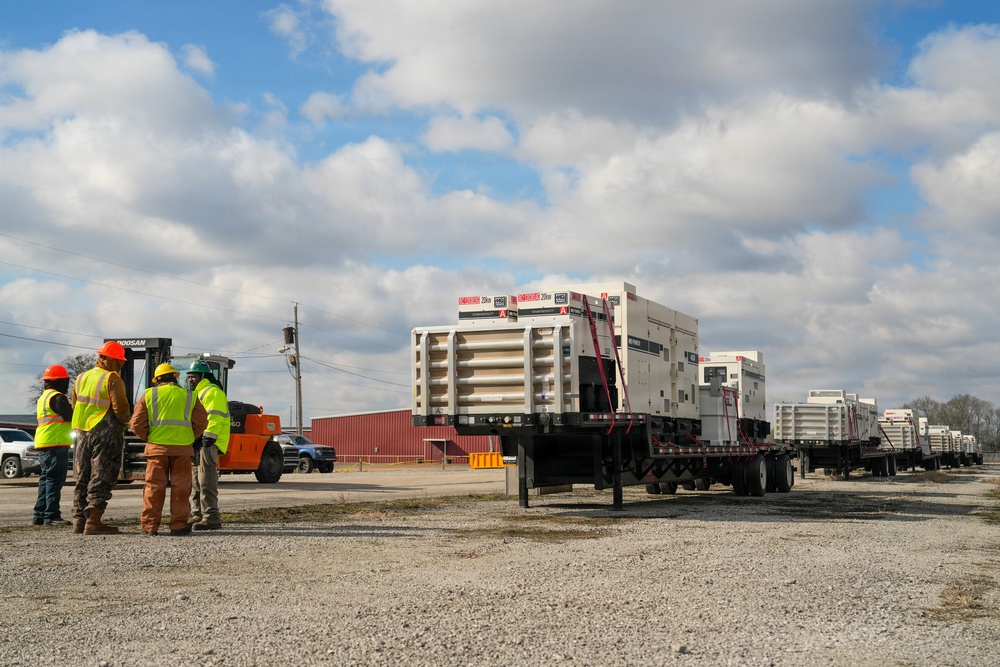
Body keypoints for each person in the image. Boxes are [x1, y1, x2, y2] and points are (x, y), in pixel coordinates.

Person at [130, 363, 207, 536]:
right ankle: (178, 526)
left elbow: (135, 424)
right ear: (175, 377)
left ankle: (150, 527)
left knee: (153, 488)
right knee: (181, 488)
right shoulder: (190, 396)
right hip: (182, 450)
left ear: (157, 380)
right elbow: (202, 422)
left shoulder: (149, 394)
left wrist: (150, 438)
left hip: (157, 450)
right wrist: (187, 437)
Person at [71, 341, 132, 535]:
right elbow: (121, 408)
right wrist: (126, 424)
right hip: (105, 432)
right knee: (102, 475)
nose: (122, 365)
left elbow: (74, 404)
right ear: (113, 360)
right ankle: (94, 521)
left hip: (82, 432)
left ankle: (78, 521)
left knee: (82, 476)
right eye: (121, 361)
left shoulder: (81, 377)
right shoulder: (112, 378)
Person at [187, 359, 230, 531]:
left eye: (194, 376)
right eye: (189, 376)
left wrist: (208, 438)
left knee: (206, 480)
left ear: (203, 376)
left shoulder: (211, 391)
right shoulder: (196, 393)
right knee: (196, 481)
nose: (190, 379)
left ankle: (211, 517)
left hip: (208, 442)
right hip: (198, 442)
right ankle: (197, 514)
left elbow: (215, 416)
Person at [33, 365, 74, 527]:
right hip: (55, 444)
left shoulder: (43, 397)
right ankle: (52, 515)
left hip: (44, 443)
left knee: (46, 480)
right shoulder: (57, 398)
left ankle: (39, 515)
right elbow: (71, 416)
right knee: (54, 480)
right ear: (60, 382)